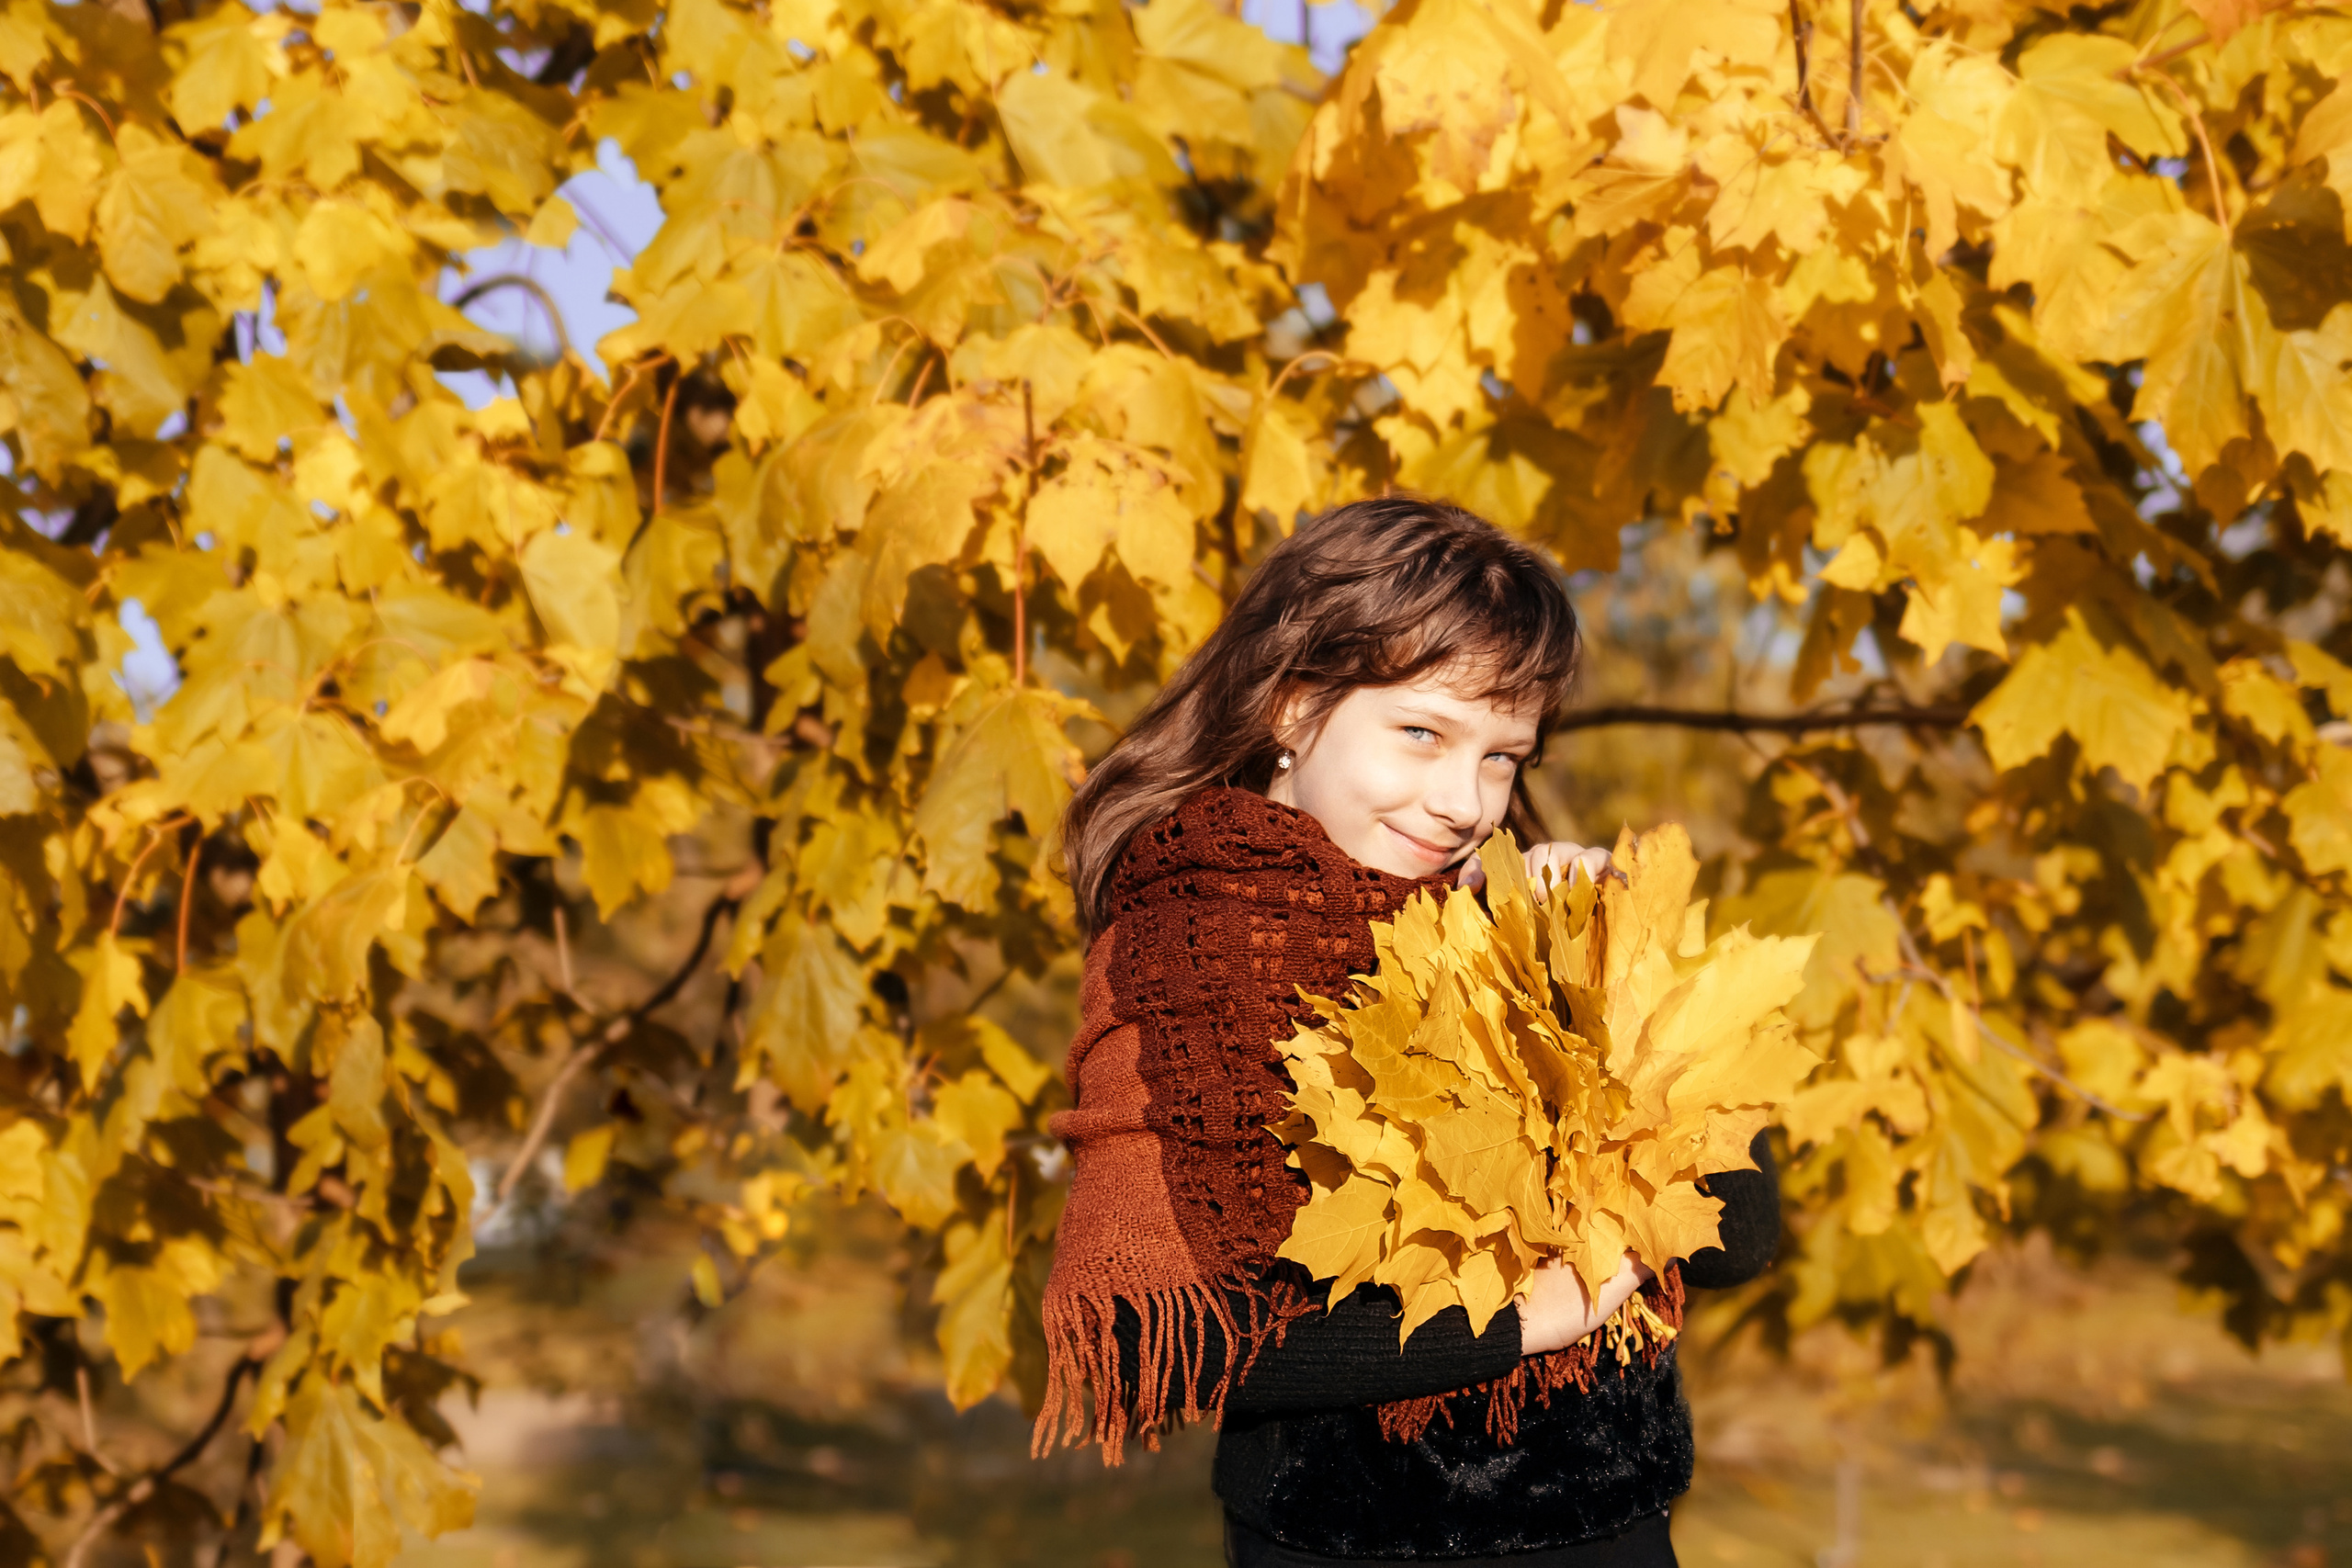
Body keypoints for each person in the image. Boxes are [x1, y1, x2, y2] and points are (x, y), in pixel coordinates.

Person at [1034, 496, 1781, 1567]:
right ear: (1294, 707)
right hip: (1345, 1544)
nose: (1462, 799)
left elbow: (1738, 1242)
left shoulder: (1513, 920)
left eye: (1500, 756)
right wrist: (1531, 1320)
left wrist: (1623, 976)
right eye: (1422, 733)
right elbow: (1174, 1328)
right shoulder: (1185, 948)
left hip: (1612, 1530)